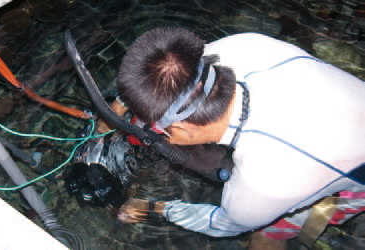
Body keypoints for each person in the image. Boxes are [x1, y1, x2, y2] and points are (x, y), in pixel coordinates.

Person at [115, 27, 365, 249]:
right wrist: (118, 106)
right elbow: (169, 71)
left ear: (184, 131)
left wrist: (158, 208)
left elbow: (221, 224)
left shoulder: (259, 190)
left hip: (352, 174)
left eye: (155, 131)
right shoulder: (246, 47)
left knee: (265, 239)